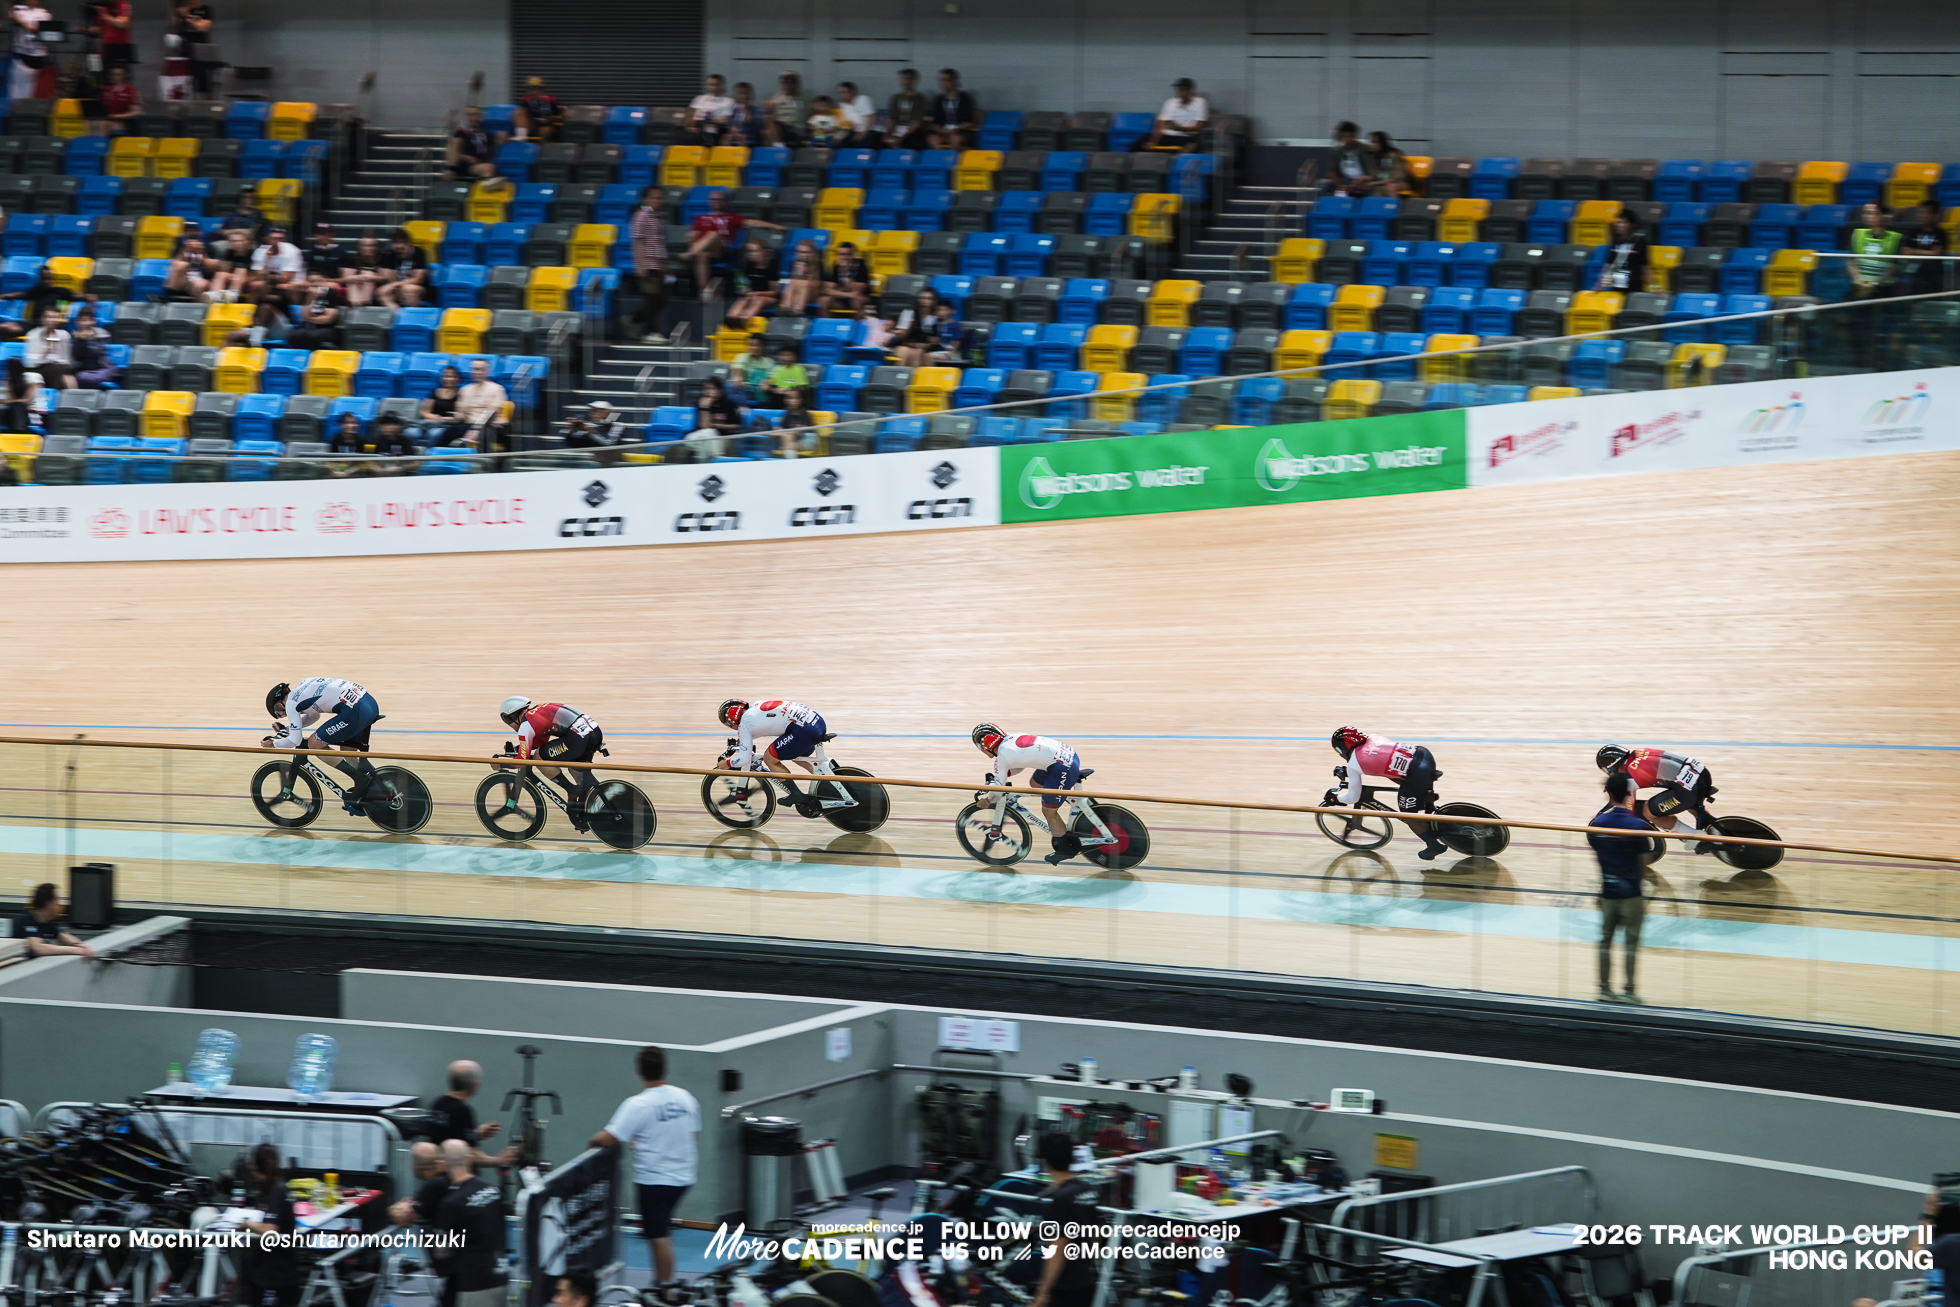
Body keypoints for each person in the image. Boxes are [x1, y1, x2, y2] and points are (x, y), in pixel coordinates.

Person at [590, 1047, 699, 1297]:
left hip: (655, 1181)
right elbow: (692, 1135)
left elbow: (607, 1138)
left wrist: (590, 1143)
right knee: (661, 1231)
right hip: (683, 1177)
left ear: (639, 1071)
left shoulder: (638, 1104)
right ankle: (662, 1285)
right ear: (665, 1069)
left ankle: (665, 1292)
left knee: (658, 1235)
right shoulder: (685, 1098)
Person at [263, 678, 388, 815]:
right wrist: (287, 729)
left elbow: (295, 740)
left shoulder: (291, 703)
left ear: (280, 703)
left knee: (314, 743)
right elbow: (313, 717)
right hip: (368, 703)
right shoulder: (303, 687)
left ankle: (361, 779)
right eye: (279, 715)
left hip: (354, 711)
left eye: (279, 711)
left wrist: (273, 744)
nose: (283, 714)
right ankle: (376, 787)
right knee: (348, 751)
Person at [971, 724, 1089, 865]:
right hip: (1069, 756)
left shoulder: (1002, 757)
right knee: (1035, 783)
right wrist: (1000, 776)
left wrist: (988, 801)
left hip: (1062, 768)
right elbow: (1018, 764)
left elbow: (998, 790)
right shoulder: (1011, 739)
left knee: (1048, 811)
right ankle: (1075, 803)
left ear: (985, 745)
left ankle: (1066, 850)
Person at [1325, 726, 1447, 861]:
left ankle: (1434, 845)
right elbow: (1378, 761)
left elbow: (1353, 797)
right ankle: (1425, 801)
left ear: (1343, 749)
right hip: (1423, 754)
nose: (1340, 755)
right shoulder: (1373, 737)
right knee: (1391, 772)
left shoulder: (1354, 764)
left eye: (1338, 751)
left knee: (1408, 815)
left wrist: (1335, 799)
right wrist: (1349, 771)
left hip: (1418, 773)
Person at [1588, 771, 1656, 1005]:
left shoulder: (1597, 823)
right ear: (1628, 793)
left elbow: (1598, 856)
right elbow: (1644, 864)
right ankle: (1629, 992)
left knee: (1605, 941)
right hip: (1632, 894)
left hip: (1608, 891)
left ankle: (1604, 990)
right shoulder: (1637, 825)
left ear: (1607, 793)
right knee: (1630, 944)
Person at [498, 696, 606, 827]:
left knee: (539, 757)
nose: (509, 726)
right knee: (578, 775)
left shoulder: (525, 725)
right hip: (594, 732)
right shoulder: (537, 713)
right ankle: (600, 801)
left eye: (507, 722)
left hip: (577, 739)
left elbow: (522, 760)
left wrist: (501, 764)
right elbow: (540, 742)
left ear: (512, 716)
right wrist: (517, 748)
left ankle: (571, 789)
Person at [431, 1139, 509, 1307]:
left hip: (474, 1285)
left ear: (443, 1164)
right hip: (500, 1276)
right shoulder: (493, 1191)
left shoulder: (451, 1203)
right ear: (471, 1159)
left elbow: (441, 1251)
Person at [1030, 1132, 1101, 1307]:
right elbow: (1097, 1233)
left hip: (1064, 1289)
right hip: (1085, 1282)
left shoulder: (1061, 1198)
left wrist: (1042, 1292)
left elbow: (1058, 1246)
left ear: (1046, 1162)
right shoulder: (1087, 1190)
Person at [1596, 744, 1719, 842]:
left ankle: (1695, 838)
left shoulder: (1629, 777)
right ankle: (1717, 830)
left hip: (1687, 790)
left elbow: (1628, 810)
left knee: (1648, 811)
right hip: (1702, 773)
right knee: (1691, 804)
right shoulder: (1638, 752)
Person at [687, 188, 783, 301]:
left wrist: (774, 226)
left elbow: (753, 223)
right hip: (705, 251)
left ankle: (687, 255)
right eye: (713, 199)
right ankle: (705, 292)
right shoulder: (700, 218)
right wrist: (693, 240)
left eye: (719, 199)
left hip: (723, 250)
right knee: (702, 255)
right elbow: (691, 238)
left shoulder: (731, 218)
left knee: (713, 235)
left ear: (725, 202)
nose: (716, 202)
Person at [419, 1060, 518, 1166]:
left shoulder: (437, 1104)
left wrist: (475, 1134)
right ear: (473, 1085)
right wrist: (497, 1160)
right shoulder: (461, 1110)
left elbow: (446, 1137)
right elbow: (469, 1155)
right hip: (455, 1171)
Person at [237, 1143, 300, 1307]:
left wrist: (247, 1224)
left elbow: (271, 1230)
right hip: (275, 1273)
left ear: (257, 1166)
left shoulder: (277, 1191)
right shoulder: (277, 1188)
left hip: (275, 1276)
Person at [629, 185, 672, 344]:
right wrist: (641, 265)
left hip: (658, 264)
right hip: (648, 264)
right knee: (652, 298)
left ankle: (632, 320)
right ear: (645, 199)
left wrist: (665, 264)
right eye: (654, 198)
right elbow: (638, 242)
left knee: (660, 299)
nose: (658, 201)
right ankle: (650, 331)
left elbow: (659, 244)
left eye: (660, 198)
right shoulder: (641, 216)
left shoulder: (658, 218)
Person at [13, 882, 95, 959]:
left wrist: (78, 945)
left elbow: (63, 936)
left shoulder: (48, 921)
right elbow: (37, 948)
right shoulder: (26, 920)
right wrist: (75, 950)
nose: (59, 904)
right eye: (57, 900)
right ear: (48, 904)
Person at [1848, 202, 1903, 299]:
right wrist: (1860, 282)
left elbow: (1894, 266)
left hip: (1883, 290)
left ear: (1884, 215)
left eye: (1873, 213)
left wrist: (1874, 285)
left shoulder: (1896, 238)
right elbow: (1851, 262)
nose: (1868, 216)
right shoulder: (1857, 234)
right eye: (1866, 213)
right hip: (1859, 288)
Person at [387, 1141, 447, 1227]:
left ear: (416, 1167)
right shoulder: (449, 1179)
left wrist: (393, 1210)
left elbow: (403, 1218)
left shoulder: (436, 1184)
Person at [455, 357, 508, 450]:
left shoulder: (497, 389)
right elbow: (461, 414)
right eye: (473, 369)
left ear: (486, 371)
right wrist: (453, 417)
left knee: (483, 435)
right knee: (447, 433)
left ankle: (483, 459)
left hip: (490, 426)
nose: (475, 372)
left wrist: (476, 428)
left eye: (479, 369)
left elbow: (491, 412)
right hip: (468, 425)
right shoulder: (464, 390)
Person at [724, 239, 780, 326]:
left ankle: (743, 321)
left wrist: (757, 293)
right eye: (749, 251)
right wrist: (745, 291)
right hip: (752, 295)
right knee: (743, 299)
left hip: (769, 298)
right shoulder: (745, 264)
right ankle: (730, 320)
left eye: (755, 251)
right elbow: (741, 285)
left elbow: (775, 292)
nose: (752, 254)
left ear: (763, 251)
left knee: (760, 300)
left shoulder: (772, 265)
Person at [284, 272, 345, 350]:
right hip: (307, 328)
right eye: (312, 281)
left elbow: (329, 319)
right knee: (293, 334)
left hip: (327, 328)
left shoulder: (330, 293)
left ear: (325, 282)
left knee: (311, 335)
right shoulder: (306, 294)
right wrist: (311, 298)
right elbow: (304, 318)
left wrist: (310, 319)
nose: (316, 284)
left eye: (319, 281)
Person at [685, 376, 745, 455]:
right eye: (706, 389)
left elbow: (737, 426)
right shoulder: (701, 404)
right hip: (702, 436)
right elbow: (704, 426)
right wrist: (705, 408)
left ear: (720, 391)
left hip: (723, 437)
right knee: (706, 435)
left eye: (712, 389)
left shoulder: (729, 405)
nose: (708, 392)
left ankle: (713, 459)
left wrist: (716, 426)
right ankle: (715, 459)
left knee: (709, 435)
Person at [1146, 78, 1208, 151]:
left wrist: (1178, 128)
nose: (1181, 92)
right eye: (1179, 89)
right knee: (1141, 142)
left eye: (1184, 89)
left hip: (1185, 136)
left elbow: (1199, 126)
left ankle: (1178, 157)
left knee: (1195, 144)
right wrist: (1153, 141)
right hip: (1166, 135)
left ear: (1191, 91)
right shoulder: (1170, 102)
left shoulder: (1200, 102)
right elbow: (1160, 124)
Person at [412, 364, 466, 447]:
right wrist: (431, 416)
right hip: (430, 423)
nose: (449, 379)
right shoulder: (435, 392)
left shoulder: (460, 394)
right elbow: (424, 411)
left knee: (434, 434)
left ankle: (429, 454)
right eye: (446, 376)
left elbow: (458, 416)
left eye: (452, 376)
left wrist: (440, 418)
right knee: (411, 432)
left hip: (446, 425)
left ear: (457, 379)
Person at [1901, 203, 1949, 295]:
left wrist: (1915, 251)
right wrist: (1927, 253)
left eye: (1925, 213)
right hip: (1914, 268)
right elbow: (1906, 251)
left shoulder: (1941, 234)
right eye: (1920, 213)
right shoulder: (1914, 232)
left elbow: (1936, 253)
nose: (1921, 216)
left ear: (1934, 215)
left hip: (1933, 271)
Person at [924, 68, 977, 151]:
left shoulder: (965, 98)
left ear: (954, 81)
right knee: (931, 139)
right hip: (943, 131)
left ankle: (953, 158)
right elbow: (934, 123)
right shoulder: (938, 100)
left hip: (960, 131)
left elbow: (969, 123)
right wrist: (941, 130)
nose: (943, 83)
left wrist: (954, 130)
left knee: (955, 139)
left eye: (946, 80)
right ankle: (942, 156)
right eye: (941, 80)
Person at [169, 0, 214, 96]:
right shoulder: (183, 9)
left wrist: (188, 16)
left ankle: (208, 101)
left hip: (201, 50)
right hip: (185, 50)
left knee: (205, 81)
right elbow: (174, 24)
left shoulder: (205, 9)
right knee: (186, 81)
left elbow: (203, 28)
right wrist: (179, 13)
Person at [24, 306, 75, 391]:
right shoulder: (33, 334)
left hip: (60, 368)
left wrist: (58, 361)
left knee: (59, 370)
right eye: (50, 317)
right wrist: (44, 353)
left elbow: (68, 360)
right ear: (43, 319)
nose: (53, 320)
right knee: (55, 370)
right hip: (38, 367)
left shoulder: (65, 335)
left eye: (56, 317)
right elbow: (29, 362)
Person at [1595, 213, 1649, 292]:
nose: (1620, 225)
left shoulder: (1639, 241)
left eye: (1623, 222)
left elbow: (1645, 268)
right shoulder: (1615, 242)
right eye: (1618, 222)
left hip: (1634, 288)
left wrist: (1654, 287)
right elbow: (1609, 266)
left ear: (1632, 225)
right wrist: (1598, 286)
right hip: (1617, 287)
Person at [10, 3, 51, 103]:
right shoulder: (19, 8)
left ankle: (30, 105)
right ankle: (17, 107)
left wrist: (22, 22)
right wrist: (13, 16)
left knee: (32, 88)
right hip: (20, 53)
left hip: (37, 55)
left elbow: (36, 30)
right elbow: (11, 15)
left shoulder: (44, 13)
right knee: (16, 88)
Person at [251, 226, 305, 301]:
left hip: (293, 281)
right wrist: (268, 259)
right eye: (274, 239)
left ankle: (294, 308)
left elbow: (286, 278)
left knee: (293, 286)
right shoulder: (260, 251)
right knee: (255, 285)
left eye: (280, 239)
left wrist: (267, 277)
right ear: (266, 239)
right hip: (269, 282)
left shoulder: (292, 250)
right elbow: (257, 276)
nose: (278, 242)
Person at [379, 228, 429, 308]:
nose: (399, 246)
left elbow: (419, 279)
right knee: (382, 292)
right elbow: (388, 278)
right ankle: (398, 313)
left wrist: (396, 284)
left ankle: (412, 313)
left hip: (417, 287)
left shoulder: (418, 252)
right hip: (397, 287)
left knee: (408, 289)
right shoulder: (388, 254)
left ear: (408, 243)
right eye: (396, 243)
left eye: (402, 242)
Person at [447, 105, 499, 182]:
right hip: (465, 165)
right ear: (465, 117)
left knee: (489, 167)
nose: (472, 117)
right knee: (487, 168)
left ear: (480, 117)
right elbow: (453, 150)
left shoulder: (486, 134)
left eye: (475, 114)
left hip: (481, 163)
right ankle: (452, 170)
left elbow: (493, 146)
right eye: (469, 115)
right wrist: (464, 157)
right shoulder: (461, 133)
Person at [1324, 120, 1374, 196]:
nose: (1348, 140)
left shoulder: (1366, 150)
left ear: (1355, 136)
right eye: (1344, 136)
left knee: (1371, 190)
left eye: (1350, 136)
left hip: (1363, 180)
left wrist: (1363, 180)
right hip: (1345, 180)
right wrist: (1340, 185)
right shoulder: (1338, 151)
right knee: (1325, 188)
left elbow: (1373, 172)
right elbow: (1331, 171)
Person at [684, 73, 735, 145]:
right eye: (712, 85)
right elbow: (691, 116)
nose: (714, 88)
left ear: (722, 86)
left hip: (717, 129)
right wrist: (690, 127)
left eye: (717, 85)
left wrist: (710, 122)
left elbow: (725, 120)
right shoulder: (699, 99)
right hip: (699, 128)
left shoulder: (729, 101)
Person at [166, 235, 221, 301]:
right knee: (181, 265)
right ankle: (171, 300)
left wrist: (200, 252)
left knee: (201, 284)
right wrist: (186, 250)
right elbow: (173, 264)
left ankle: (203, 305)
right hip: (182, 279)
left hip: (201, 280)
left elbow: (213, 267)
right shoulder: (180, 247)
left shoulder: (206, 247)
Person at [763, 70, 809, 147]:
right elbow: (770, 113)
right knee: (766, 130)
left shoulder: (806, 97)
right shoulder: (777, 98)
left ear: (797, 84)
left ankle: (780, 148)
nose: (789, 86)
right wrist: (767, 109)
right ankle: (780, 148)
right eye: (786, 83)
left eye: (792, 83)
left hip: (798, 129)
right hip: (782, 128)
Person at [884, 68, 928, 148]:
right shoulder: (896, 98)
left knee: (910, 140)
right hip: (897, 129)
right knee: (879, 140)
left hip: (911, 132)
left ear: (915, 81)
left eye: (909, 79)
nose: (906, 81)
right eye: (904, 78)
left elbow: (916, 122)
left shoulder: (920, 99)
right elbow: (892, 119)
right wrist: (888, 134)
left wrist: (901, 137)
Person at [69, 312, 115, 387]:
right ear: (77, 322)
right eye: (83, 320)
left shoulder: (102, 334)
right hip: (82, 370)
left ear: (94, 321)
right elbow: (76, 357)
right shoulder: (73, 337)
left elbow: (100, 353)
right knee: (81, 376)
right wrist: (80, 341)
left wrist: (92, 339)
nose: (86, 323)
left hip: (101, 368)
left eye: (89, 320)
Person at [823, 240, 869, 314]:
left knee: (856, 302)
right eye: (842, 254)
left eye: (848, 254)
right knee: (824, 301)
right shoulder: (836, 266)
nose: (845, 257)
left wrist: (846, 273)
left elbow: (858, 291)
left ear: (853, 255)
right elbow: (830, 289)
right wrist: (848, 295)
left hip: (860, 298)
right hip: (843, 297)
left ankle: (855, 322)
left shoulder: (861, 265)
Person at [339, 235, 385, 307]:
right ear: (359, 247)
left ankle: (361, 306)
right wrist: (358, 278)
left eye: (372, 245)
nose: (369, 248)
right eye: (365, 245)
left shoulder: (383, 259)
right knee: (352, 280)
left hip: (376, 286)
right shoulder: (352, 259)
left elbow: (386, 278)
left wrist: (370, 277)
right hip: (356, 288)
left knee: (368, 274)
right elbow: (345, 278)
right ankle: (357, 305)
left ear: (377, 247)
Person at [779, 238, 822, 315]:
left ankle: (798, 310)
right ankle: (785, 308)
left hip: (813, 292)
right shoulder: (795, 263)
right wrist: (799, 273)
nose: (804, 255)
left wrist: (805, 274)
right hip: (798, 291)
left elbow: (817, 284)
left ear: (813, 253)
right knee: (793, 281)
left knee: (805, 283)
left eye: (807, 252)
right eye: (801, 252)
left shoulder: (818, 264)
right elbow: (792, 279)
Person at [0, 356, 41, 432]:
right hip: (13, 411)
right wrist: (10, 388)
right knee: (14, 407)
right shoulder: (10, 382)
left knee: (18, 407)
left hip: (28, 411)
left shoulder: (30, 380)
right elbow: (12, 400)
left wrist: (6, 401)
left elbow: (26, 401)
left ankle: (19, 431)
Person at [515, 76, 563, 142]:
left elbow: (559, 115)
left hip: (546, 126)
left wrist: (551, 119)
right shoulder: (525, 101)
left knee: (545, 130)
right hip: (531, 125)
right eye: (531, 89)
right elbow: (522, 116)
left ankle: (543, 147)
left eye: (537, 89)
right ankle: (521, 137)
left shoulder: (551, 101)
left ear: (542, 90)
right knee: (519, 112)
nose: (534, 92)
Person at [776, 386, 816, 457]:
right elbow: (783, 428)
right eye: (789, 398)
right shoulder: (787, 413)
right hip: (794, 440)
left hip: (807, 441)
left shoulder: (804, 413)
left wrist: (783, 433)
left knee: (789, 446)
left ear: (802, 400)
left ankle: (790, 462)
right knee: (787, 439)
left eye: (795, 398)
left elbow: (798, 431)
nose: (791, 401)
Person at [731, 333, 772, 402]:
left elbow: (770, 377)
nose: (754, 348)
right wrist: (738, 378)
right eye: (751, 345)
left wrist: (766, 382)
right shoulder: (742, 357)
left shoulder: (768, 361)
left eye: (758, 345)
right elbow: (738, 370)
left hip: (760, 390)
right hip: (743, 389)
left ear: (763, 346)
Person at [99, 63, 140, 132]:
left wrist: (116, 116)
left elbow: (136, 112)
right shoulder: (105, 90)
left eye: (117, 75)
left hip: (124, 123)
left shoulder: (130, 90)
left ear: (124, 76)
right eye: (112, 74)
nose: (114, 77)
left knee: (104, 125)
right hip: (105, 119)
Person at [92, 0, 132, 69]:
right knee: (99, 71)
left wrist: (105, 15)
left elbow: (123, 24)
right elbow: (100, 29)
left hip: (120, 48)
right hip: (104, 49)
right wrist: (88, 30)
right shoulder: (101, 7)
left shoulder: (123, 5)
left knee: (120, 72)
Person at [835, 81, 877, 145]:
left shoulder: (863, 99)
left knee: (863, 142)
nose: (841, 95)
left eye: (844, 93)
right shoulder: (842, 105)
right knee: (839, 141)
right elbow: (845, 123)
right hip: (853, 130)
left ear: (852, 92)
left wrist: (863, 133)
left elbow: (872, 118)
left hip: (868, 130)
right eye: (840, 93)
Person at [726, 81, 761, 146]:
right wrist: (732, 129)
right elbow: (730, 125)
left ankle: (743, 153)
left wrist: (749, 115)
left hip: (751, 137)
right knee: (726, 138)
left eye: (746, 93)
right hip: (735, 136)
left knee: (742, 138)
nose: (744, 96)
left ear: (751, 95)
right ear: (736, 96)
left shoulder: (757, 111)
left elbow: (758, 128)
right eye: (741, 93)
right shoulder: (733, 111)